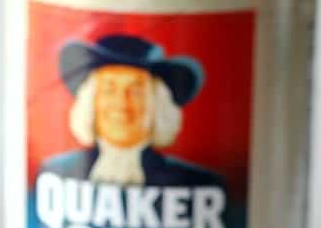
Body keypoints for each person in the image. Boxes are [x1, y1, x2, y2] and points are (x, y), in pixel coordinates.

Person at [41, 34, 222, 188]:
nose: (121, 104)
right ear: (91, 100)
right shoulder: (56, 172)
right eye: (109, 90)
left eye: (135, 92)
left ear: (158, 105)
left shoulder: (197, 182)